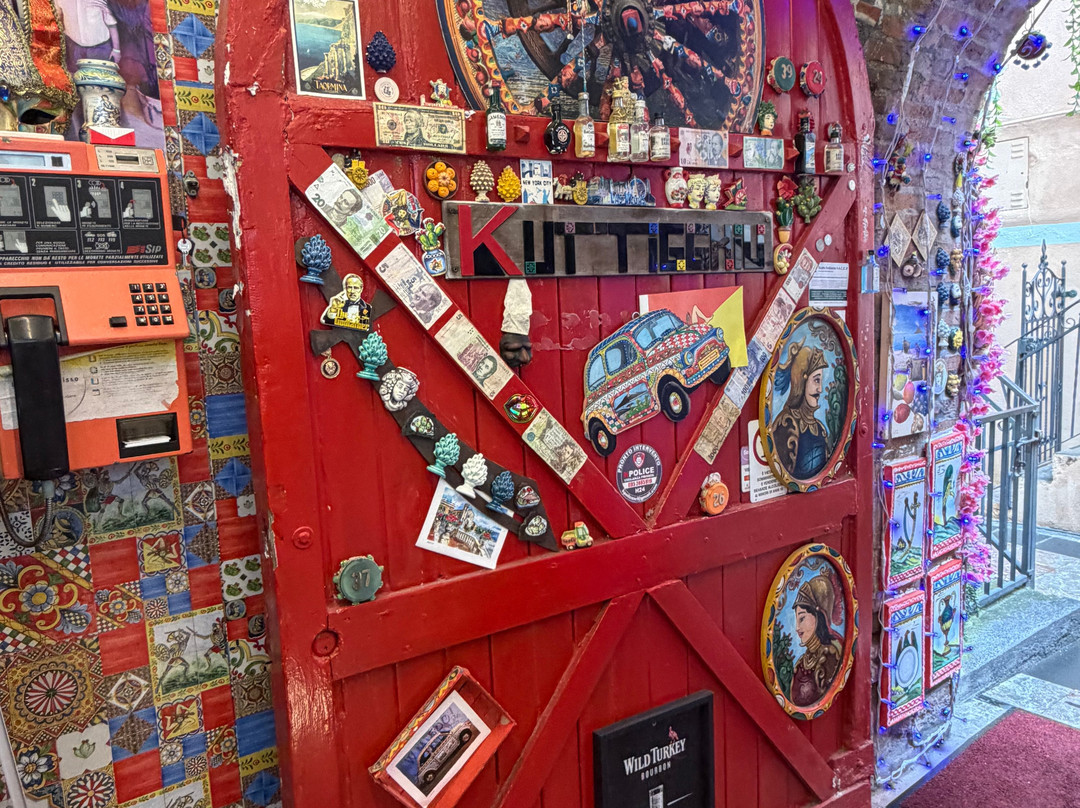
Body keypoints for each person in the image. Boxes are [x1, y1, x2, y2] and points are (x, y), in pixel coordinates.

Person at [770, 339, 829, 479]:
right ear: (802, 381)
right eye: (816, 380)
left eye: (820, 381)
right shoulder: (786, 424)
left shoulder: (820, 428)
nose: (820, 389)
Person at [789, 574, 844, 707]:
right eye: (796, 620)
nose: (797, 628)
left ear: (818, 617)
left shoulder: (830, 655)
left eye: (802, 618)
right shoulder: (802, 662)